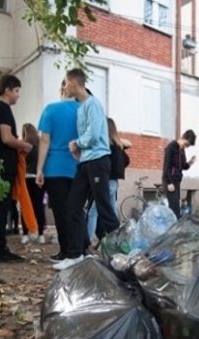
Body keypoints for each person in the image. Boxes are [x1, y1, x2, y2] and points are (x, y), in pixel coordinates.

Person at [61, 68, 120, 270]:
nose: (64, 87)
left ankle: (122, 254)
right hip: (86, 162)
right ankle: (75, 254)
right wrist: (78, 149)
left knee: (104, 208)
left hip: (98, 161)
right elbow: (89, 137)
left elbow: (93, 135)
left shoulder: (93, 104)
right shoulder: (81, 107)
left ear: (75, 84)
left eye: (65, 83)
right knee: (73, 206)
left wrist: (77, 143)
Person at [0, 74, 32, 262]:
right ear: (7, 90)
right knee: (2, 207)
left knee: (0, 207)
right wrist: (24, 145)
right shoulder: (3, 109)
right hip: (4, 164)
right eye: (16, 91)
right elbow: (6, 138)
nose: (18, 95)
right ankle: (0, 249)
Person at [35, 80, 79, 263]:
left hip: (55, 168)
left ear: (62, 89)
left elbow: (44, 140)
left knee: (60, 212)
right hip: (77, 167)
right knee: (76, 211)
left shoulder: (51, 109)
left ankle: (66, 251)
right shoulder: (83, 110)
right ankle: (78, 250)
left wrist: (39, 169)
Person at [86, 118, 131, 242]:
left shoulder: (105, 147)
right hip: (114, 182)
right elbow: (127, 161)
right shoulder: (118, 146)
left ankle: (88, 240)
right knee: (112, 210)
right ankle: (116, 238)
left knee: (93, 212)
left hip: (104, 181)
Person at [21, 123, 46, 245]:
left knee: (25, 207)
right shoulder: (40, 146)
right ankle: (41, 234)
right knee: (39, 207)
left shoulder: (24, 147)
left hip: (25, 178)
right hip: (38, 178)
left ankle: (25, 234)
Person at [163, 129, 197, 218]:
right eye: (185, 144)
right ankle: (173, 228)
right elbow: (166, 167)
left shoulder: (181, 150)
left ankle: (173, 227)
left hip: (177, 181)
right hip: (169, 181)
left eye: (187, 146)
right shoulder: (171, 147)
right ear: (182, 137)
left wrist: (190, 162)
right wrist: (169, 182)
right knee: (174, 208)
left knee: (176, 206)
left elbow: (183, 166)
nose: (185, 147)